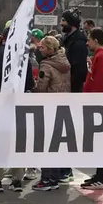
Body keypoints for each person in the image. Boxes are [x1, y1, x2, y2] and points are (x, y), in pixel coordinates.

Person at [0, 22, 35, 193]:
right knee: (17, 141)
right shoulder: (23, 57)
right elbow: (29, 83)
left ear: (2, 38)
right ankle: (17, 180)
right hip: (18, 103)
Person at [79, 28, 103, 190]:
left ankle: (101, 177)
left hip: (99, 105)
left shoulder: (101, 57)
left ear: (95, 40)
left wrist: (92, 103)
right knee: (101, 142)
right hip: (102, 104)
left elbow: (99, 83)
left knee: (100, 142)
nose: (87, 43)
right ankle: (102, 175)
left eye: (89, 39)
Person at [33, 36, 71, 192]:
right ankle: (55, 178)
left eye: (42, 47)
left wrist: (33, 88)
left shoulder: (46, 65)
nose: (39, 49)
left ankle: (46, 179)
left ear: (49, 49)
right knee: (56, 145)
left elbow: (41, 87)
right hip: (62, 106)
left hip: (48, 106)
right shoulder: (65, 62)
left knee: (45, 145)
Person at [56, 7, 88, 184]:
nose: (61, 24)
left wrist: (71, 89)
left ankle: (66, 169)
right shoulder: (71, 41)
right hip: (67, 91)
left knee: (66, 132)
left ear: (71, 24)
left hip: (71, 92)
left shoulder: (77, 43)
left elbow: (79, 70)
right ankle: (62, 168)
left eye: (64, 21)